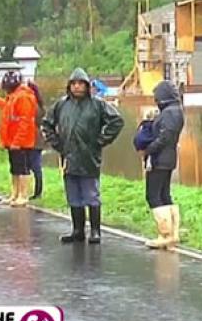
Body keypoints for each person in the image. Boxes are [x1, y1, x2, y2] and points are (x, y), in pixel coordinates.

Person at [42, 67, 124, 245]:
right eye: (74, 84)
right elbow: (46, 124)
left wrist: (102, 140)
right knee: (73, 194)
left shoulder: (97, 105)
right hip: (68, 156)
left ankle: (95, 231)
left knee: (91, 194)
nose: (77, 87)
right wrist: (56, 143)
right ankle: (77, 230)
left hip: (89, 156)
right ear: (69, 86)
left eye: (81, 84)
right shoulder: (61, 105)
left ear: (87, 86)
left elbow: (116, 121)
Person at [136, 81, 185, 250]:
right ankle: (171, 235)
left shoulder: (170, 113)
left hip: (160, 159)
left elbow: (165, 137)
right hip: (167, 158)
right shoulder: (173, 111)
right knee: (164, 194)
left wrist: (148, 149)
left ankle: (165, 234)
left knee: (154, 195)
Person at [0, 71, 38, 207]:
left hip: (21, 141)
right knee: (14, 168)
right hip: (12, 140)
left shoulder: (23, 97)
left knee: (22, 168)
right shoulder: (13, 96)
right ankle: (15, 193)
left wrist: (17, 141)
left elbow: (25, 121)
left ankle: (23, 195)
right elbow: (10, 112)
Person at [27, 81, 46, 200]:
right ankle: (36, 191)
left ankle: (37, 192)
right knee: (35, 166)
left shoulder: (34, 106)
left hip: (33, 139)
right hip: (37, 138)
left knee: (35, 166)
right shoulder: (40, 105)